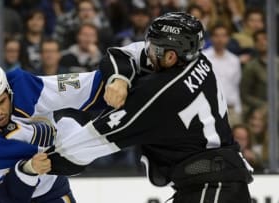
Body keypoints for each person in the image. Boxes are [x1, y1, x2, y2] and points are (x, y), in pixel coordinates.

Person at [45, 12, 254, 202]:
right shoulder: (197, 60)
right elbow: (124, 54)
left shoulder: (163, 94)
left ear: (171, 56)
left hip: (213, 188)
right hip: (213, 182)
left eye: (154, 47)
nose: (148, 50)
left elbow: (101, 136)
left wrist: (46, 160)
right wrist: (119, 79)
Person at [0, 59, 105, 202]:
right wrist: (29, 169)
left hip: (51, 192)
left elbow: (82, 86)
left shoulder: (26, 87)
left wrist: (117, 78)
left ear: (8, 90)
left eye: (1, 102)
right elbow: (7, 196)